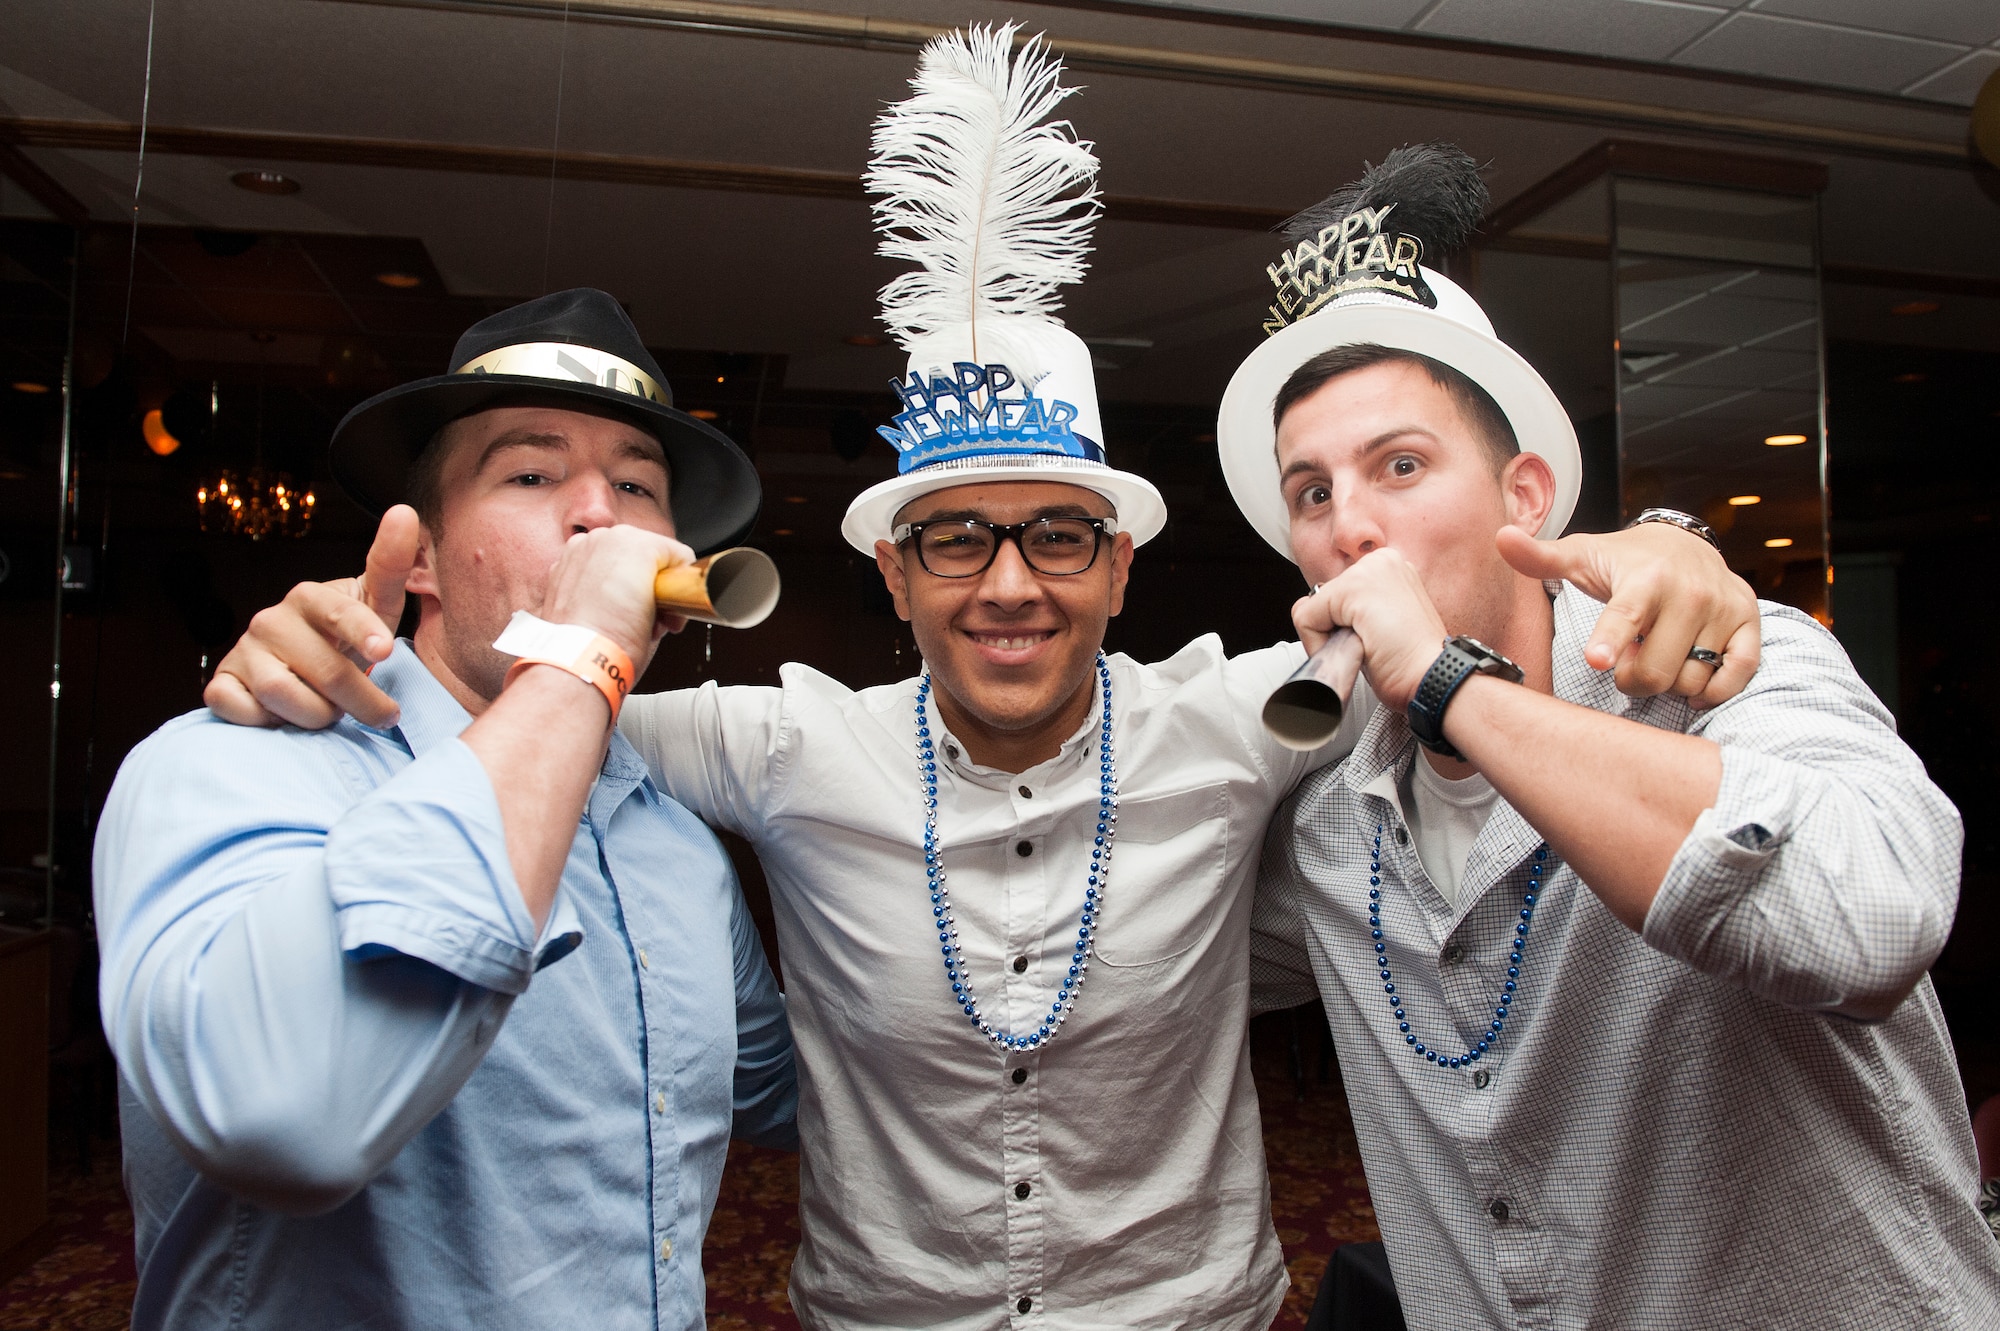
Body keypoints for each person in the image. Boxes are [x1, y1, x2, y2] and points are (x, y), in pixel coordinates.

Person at [200, 35, 1757, 1331]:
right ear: (893, 572)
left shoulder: (1250, 715)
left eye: (1060, 537)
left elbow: (1457, 610)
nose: (1010, 583)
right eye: (955, 538)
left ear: (1124, 566)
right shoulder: (773, 743)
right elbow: (509, 708)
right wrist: (350, 653)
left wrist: (1673, 540)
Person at [1221, 146, 2000, 1327]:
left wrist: (1447, 684)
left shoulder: (1730, 658)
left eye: (1399, 465)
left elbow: (1872, 915)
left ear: (1523, 497)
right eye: (1313, 491)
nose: (1351, 524)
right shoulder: (1328, 813)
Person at [94, 288, 798, 1331]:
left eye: (637, 486)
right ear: (417, 555)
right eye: (531, 471)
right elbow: (288, 1116)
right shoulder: (231, 764)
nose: (600, 514)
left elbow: (786, 1096)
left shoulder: (676, 843)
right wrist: (576, 658)